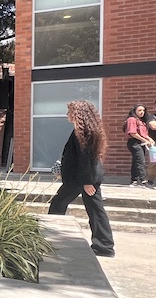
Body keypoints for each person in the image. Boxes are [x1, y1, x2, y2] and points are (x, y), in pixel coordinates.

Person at [48, 100, 114, 258]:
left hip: (81, 179)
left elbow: (86, 159)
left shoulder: (83, 133)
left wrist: (87, 182)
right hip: (84, 178)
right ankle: (104, 246)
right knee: (95, 210)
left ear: (77, 114)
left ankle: (50, 237)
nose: (67, 115)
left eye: (69, 111)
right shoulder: (88, 130)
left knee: (58, 204)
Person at [124, 105, 156, 188]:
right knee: (140, 161)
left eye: (143, 110)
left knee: (136, 161)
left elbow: (144, 133)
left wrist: (149, 139)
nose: (142, 112)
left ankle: (134, 180)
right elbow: (132, 133)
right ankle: (143, 181)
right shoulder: (132, 119)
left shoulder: (141, 121)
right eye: (139, 110)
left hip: (141, 142)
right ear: (134, 111)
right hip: (134, 142)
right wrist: (144, 140)